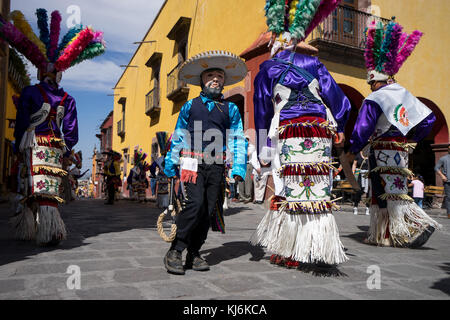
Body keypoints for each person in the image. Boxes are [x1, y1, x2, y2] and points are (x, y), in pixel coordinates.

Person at [250, 1, 351, 269]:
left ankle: (291, 249)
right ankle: (317, 245)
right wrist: (339, 127)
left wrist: (262, 150)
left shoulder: (267, 70)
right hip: (319, 131)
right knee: (317, 185)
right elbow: (342, 103)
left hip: (287, 131)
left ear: (274, 40)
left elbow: (261, 113)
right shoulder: (315, 64)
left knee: (286, 186)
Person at [3, 9, 105, 246]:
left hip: (32, 144)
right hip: (54, 148)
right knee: (48, 186)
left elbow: (21, 123)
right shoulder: (68, 99)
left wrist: (19, 143)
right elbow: (71, 131)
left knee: (28, 183)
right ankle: (48, 227)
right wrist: (67, 150)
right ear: (59, 74)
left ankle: (36, 226)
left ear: (41, 71)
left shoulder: (30, 92)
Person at [347, 19, 441, 248]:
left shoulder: (375, 98)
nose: (370, 88)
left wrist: (352, 148)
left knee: (386, 190)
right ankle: (385, 234)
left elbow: (363, 128)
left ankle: (417, 223)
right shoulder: (403, 93)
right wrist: (412, 138)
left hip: (381, 148)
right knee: (391, 188)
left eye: (370, 84)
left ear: (375, 81)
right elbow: (429, 119)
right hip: (399, 148)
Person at [163, 50, 248, 275]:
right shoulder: (189, 106)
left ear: (224, 81)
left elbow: (237, 137)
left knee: (209, 210)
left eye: (219, 76)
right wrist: (171, 164)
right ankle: (176, 249)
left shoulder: (231, 109)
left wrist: (239, 166)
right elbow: (179, 134)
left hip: (217, 167)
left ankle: (194, 252)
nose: (215, 80)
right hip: (191, 164)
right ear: (202, 80)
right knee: (194, 204)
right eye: (211, 75)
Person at [352, 150, 370, 215]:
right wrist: (353, 174)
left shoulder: (370, 155)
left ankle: (367, 208)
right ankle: (355, 207)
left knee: (368, 192)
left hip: (368, 175)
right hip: (359, 175)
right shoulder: (358, 155)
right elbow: (354, 164)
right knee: (359, 191)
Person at [238, 137, 255, 203]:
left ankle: (248, 197)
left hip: (248, 164)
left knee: (248, 181)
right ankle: (242, 197)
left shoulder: (251, 147)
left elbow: (247, 155)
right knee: (240, 180)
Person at [435, 145, 450, 219]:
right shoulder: (443, 158)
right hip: (448, 182)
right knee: (449, 197)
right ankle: (449, 213)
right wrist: (442, 176)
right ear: (448, 149)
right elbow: (436, 168)